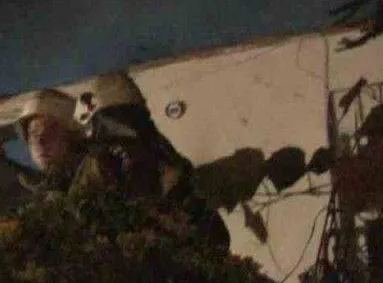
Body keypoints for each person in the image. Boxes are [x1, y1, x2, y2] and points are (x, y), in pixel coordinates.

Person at [15, 73, 229, 249]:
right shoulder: (56, 192)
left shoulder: (108, 167)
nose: (40, 142)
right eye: (33, 134)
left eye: (51, 131)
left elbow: (212, 237)